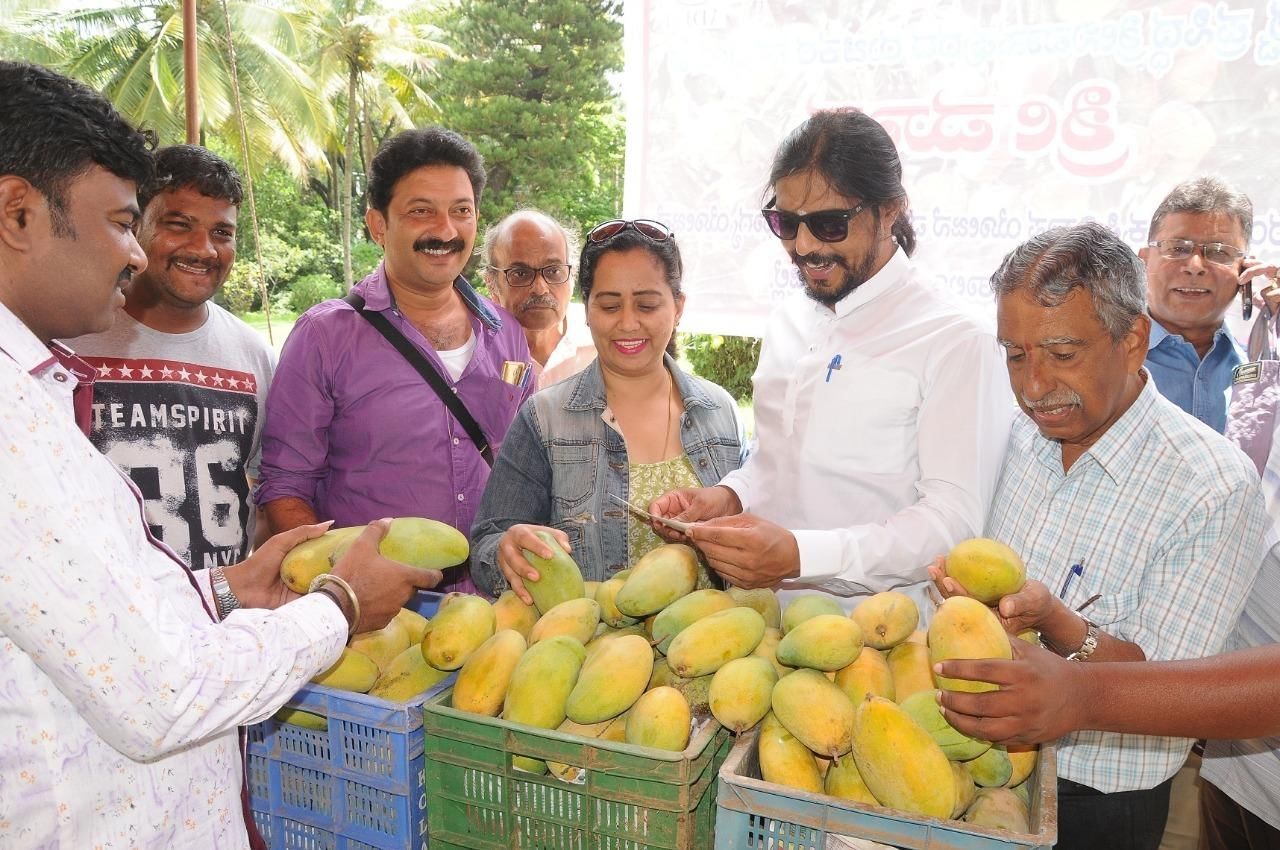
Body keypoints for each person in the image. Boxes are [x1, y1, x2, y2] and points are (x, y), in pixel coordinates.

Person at [0, 60, 439, 850]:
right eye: (118, 223)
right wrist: (337, 607)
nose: (131, 255)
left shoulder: (31, 387)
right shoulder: (11, 422)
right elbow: (162, 696)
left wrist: (224, 590)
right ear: (17, 212)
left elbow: (89, 620)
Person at [930, 221, 1266, 850]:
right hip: (979, 771)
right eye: (1015, 354)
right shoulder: (1017, 432)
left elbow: (1173, 688)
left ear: (1133, 340)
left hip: (1099, 803)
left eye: (1062, 354)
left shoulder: (1212, 485)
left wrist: (1060, 624)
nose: (1033, 387)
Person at [650, 108, 1014, 612]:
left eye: (828, 223)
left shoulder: (955, 339)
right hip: (757, 627)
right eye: (785, 222)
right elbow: (779, 461)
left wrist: (803, 556)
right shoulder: (788, 319)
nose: (803, 246)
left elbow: (952, 522)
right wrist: (731, 497)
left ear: (891, 211)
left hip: (878, 645)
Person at [256, 127, 535, 595]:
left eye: (460, 212)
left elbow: (526, 469)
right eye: (421, 211)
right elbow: (285, 487)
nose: (445, 231)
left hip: (492, 610)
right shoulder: (325, 337)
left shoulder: (506, 334)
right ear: (378, 225)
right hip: (374, 623)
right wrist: (338, 586)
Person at [471, 219, 743, 598]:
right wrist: (505, 551)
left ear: (678, 307)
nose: (628, 323)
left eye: (647, 304)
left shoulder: (721, 413)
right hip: (586, 652)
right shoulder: (544, 418)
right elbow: (487, 541)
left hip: (712, 650)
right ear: (587, 309)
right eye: (610, 304)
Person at [65, 144, 274, 569]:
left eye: (222, 232)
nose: (204, 250)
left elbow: (263, 496)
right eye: (179, 225)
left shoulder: (255, 357)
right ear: (136, 226)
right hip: (100, 613)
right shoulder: (73, 339)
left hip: (220, 617)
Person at [1142, 176, 1277, 432]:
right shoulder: (1102, 358)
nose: (1195, 267)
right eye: (1178, 248)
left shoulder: (1261, 366)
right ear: (1144, 260)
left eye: (1218, 252)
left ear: (1246, 270)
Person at [482, 208, 596, 388]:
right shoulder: (476, 356)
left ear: (572, 275)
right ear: (491, 282)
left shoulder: (602, 343)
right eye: (520, 273)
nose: (540, 288)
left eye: (553, 271)